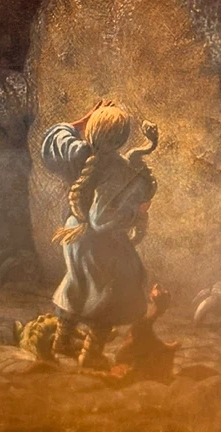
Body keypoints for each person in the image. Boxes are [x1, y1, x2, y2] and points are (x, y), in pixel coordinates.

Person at [41, 99, 159, 369]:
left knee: (79, 284)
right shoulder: (117, 168)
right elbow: (101, 219)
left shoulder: (78, 152)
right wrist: (136, 213)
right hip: (97, 241)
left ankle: (62, 341)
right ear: (122, 139)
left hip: (75, 232)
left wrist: (81, 123)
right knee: (113, 292)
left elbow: (55, 139)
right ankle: (91, 352)